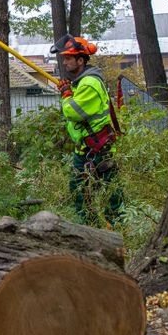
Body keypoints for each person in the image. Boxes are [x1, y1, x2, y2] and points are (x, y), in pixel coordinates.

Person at [51, 34, 123, 227]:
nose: (64, 62)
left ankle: (115, 229)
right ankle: (89, 229)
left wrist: (66, 95)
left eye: (68, 58)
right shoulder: (82, 83)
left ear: (80, 60)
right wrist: (70, 91)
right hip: (85, 149)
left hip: (100, 149)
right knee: (79, 191)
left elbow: (72, 112)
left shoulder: (90, 84)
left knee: (111, 193)